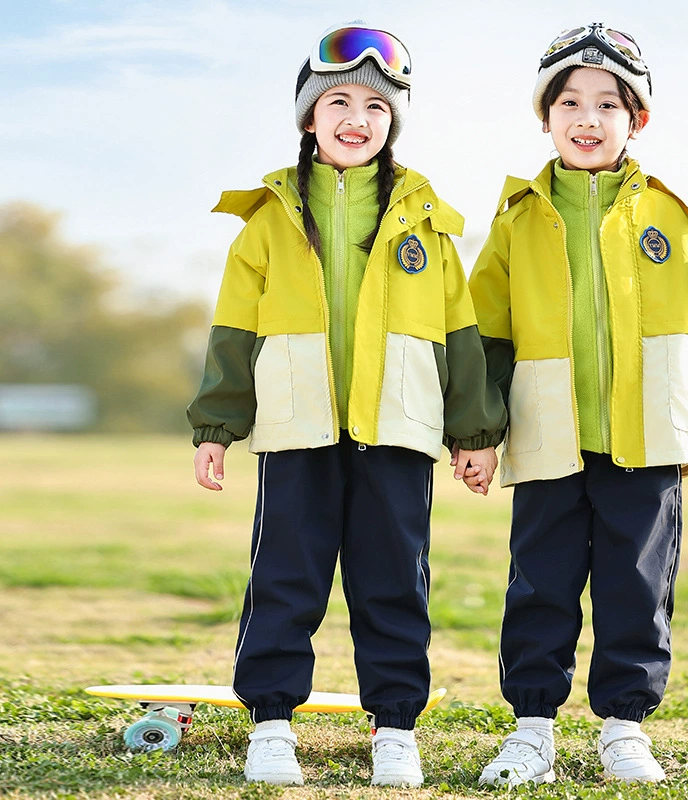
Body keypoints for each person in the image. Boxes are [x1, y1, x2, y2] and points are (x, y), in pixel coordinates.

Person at [467, 22, 688, 787]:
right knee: (538, 583)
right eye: (569, 102)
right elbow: (487, 336)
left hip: (647, 438)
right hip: (548, 435)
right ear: (544, 118)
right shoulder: (515, 221)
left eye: (609, 104)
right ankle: (532, 728)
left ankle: (623, 727)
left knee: (637, 589)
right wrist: (477, 431)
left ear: (636, 119)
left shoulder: (670, 215)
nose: (588, 118)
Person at [187, 21, 506, 788]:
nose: (356, 117)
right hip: (296, 431)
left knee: (395, 580)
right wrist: (216, 428)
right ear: (308, 116)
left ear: (394, 123)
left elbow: (458, 337)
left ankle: (394, 726)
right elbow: (233, 333)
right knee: (284, 578)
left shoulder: (426, 222)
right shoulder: (264, 222)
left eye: (376, 105)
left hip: (396, 432)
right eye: (338, 100)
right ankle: (271, 723)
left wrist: (475, 432)